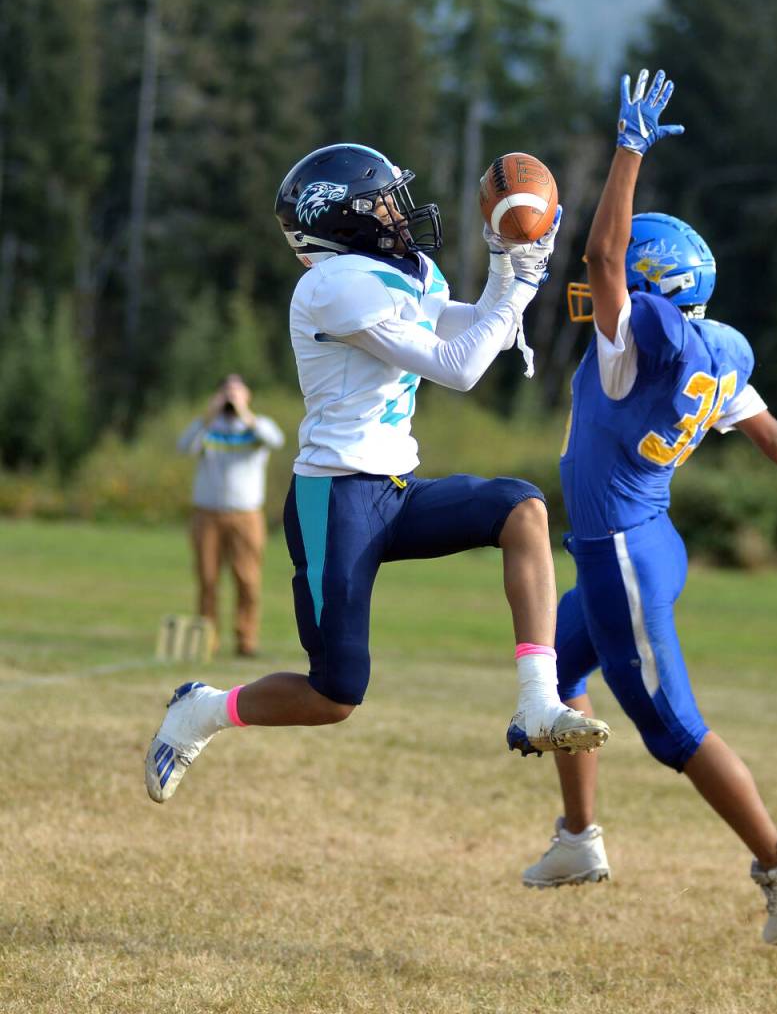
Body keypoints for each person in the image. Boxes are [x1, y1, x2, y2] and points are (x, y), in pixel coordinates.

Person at [520, 70, 777, 946]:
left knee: (671, 728)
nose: (600, 293)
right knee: (552, 680)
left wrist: (629, 149)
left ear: (650, 291)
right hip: (650, 541)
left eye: (622, 283)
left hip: (624, 561)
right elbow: (771, 435)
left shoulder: (632, 354)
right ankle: (578, 839)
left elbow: (605, 259)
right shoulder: (711, 354)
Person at [146, 142, 609, 804]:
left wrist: (512, 264)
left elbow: (479, 329)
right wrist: (523, 280)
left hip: (395, 489)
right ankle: (204, 709)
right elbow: (458, 368)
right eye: (384, 200)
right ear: (342, 219)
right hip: (333, 498)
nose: (401, 209)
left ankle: (537, 701)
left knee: (522, 509)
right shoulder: (333, 286)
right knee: (334, 695)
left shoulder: (405, 272)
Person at [177, 374, 285, 657]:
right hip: (207, 515)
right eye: (226, 391)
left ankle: (246, 640)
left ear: (247, 395)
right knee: (207, 579)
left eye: (236, 391)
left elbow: (275, 440)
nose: (230, 397)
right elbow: (184, 446)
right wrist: (208, 416)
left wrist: (245, 413)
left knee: (247, 580)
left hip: (246, 516)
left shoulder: (258, 426)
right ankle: (206, 641)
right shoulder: (207, 428)